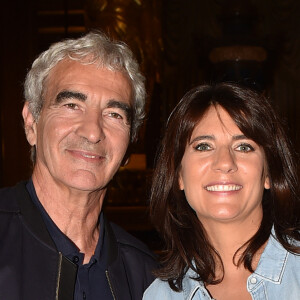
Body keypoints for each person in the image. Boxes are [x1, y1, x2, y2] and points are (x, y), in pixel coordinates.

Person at [0, 31, 157, 300]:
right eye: (72, 105)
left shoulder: (147, 277)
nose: (93, 131)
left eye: (114, 114)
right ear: (31, 123)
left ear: (130, 142)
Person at [143, 83, 300, 300]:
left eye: (243, 147)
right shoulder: (160, 296)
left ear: (268, 173)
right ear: (179, 175)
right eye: (203, 146)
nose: (225, 162)